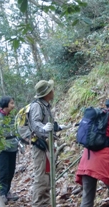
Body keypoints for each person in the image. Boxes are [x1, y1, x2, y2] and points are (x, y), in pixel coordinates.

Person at [29, 79, 70, 207]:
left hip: (47, 145)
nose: (53, 91)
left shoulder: (45, 105)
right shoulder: (37, 106)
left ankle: (46, 204)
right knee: (41, 178)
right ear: (47, 93)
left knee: (47, 178)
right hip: (40, 146)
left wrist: (58, 127)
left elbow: (48, 123)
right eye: (51, 89)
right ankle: (37, 204)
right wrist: (43, 128)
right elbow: (35, 123)